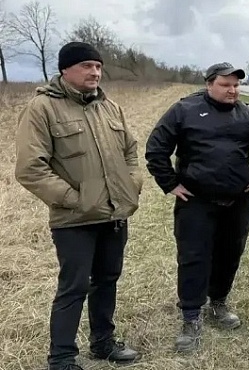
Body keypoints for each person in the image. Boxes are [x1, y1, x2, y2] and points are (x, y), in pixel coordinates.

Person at [14, 42, 142, 370]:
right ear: (65, 70)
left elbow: (130, 151)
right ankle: (61, 359)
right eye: (86, 65)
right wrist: (78, 201)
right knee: (74, 286)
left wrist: (131, 186)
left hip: (114, 213)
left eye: (98, 66)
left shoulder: (109, 107)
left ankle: (102, 343)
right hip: (74, 219)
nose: (95, 72)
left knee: (107, 279)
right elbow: (31, 169)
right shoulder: (42, 108)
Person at [144, 62, 249, 354]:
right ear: (209, 84)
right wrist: (170, 183)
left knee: (229, 254)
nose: (233, 90)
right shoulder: (184, 111)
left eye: (236, 85)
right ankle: (191, 317)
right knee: (194, 257)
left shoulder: (248, 114)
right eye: (226, 85)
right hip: (196, 202)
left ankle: (218, 303)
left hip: (237, 201)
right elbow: (156, 148)